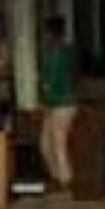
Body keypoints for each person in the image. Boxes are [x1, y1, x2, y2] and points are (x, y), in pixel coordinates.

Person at [36, 15, 77, 198]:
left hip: (60, 104)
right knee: (47, 143)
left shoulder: (56, 54)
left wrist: (44, 99)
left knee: (56, 143)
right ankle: (58, 178)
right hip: (60, 104)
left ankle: (65, 181)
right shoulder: (65, 52)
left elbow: (51, 82)